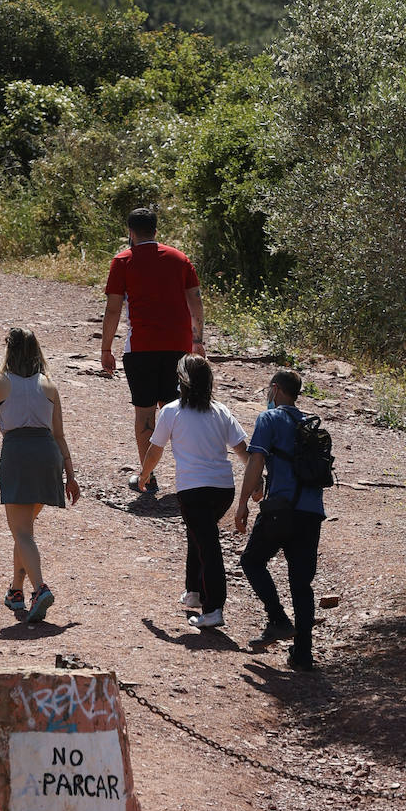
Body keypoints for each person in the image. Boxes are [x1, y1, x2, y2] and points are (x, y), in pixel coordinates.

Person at [137, 356, 252, 629]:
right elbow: (242, 450)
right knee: (200, 535)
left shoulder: (172, 411)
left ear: (181, 381)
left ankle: (213, 609)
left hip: (193, 490)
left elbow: (155, 450)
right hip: (223, 489)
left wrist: (144, 475)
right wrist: (257, 481)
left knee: (208, 545)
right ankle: (194, 592)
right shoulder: (221, 411)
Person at [101, 208, 204, 495]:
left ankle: (148, 476)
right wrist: (198, 341)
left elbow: (112, 309)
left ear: (131, 232)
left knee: (145, 412)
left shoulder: (122, 261)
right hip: (179, 349)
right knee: (180, 411)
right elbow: (195, 303)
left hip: (142, 348)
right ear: (156, 231)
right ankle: (190, 475)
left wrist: (106, 348)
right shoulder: (180, 259)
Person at [0, 328, 80, 625]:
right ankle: (16, 591)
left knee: (21, 532)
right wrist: (71, 476)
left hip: (18, 454)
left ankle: (40, 590)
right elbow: (60, 434)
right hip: (48, 456)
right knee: (23, 531)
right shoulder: (49, 385)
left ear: (8, 351)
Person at [235, 369, 325, 672]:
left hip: (280, 508)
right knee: (302, 583)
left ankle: (278, 619)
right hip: (312, 512)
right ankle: (303, 655)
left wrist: (243, 503)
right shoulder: (309, 424)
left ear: (275, 390)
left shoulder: (268, 419)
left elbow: (256, 461)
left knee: (251, 561)